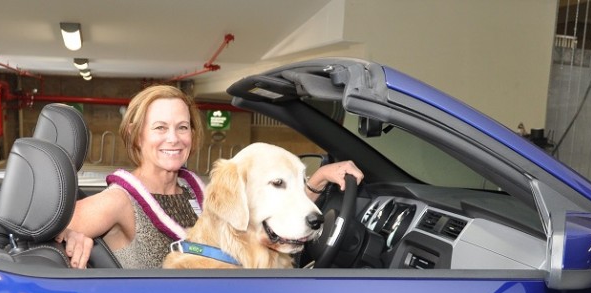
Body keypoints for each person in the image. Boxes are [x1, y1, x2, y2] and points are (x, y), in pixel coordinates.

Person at [55, 84, 363, 269]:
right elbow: (49, 230)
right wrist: (71, 235)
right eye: (160, 128)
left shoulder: (195, 190)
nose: (173, 139)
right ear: (137, 137)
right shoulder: (120, 199)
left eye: (182, 127)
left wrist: (316, 182)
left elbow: (260, 214)